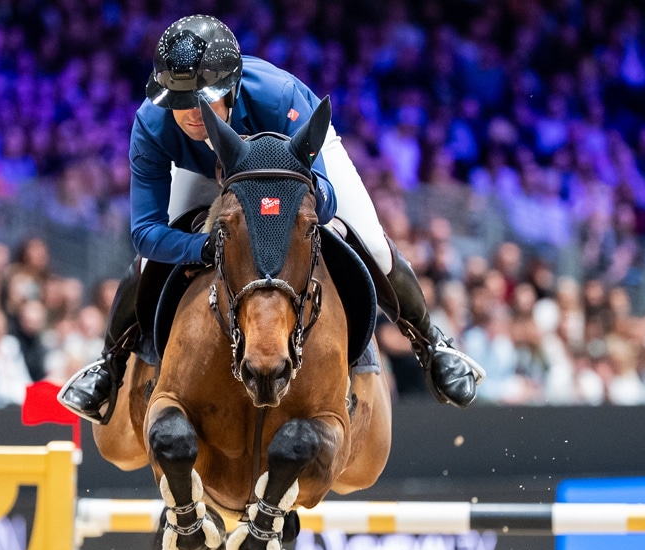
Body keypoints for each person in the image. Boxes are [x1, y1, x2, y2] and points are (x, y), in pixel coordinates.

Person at [59, 15, 484, 423]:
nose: (189, 114)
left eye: (200, 98)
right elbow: (145, 233)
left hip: (291, 161)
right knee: (151, 264)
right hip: (203, 170)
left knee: (371, 241)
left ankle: (432, 345)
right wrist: (202, 247)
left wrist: (290, 206)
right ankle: (109, 366)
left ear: (231, 87)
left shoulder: (279, 99)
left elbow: (327, 201)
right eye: (178, 100)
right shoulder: (153, 124)